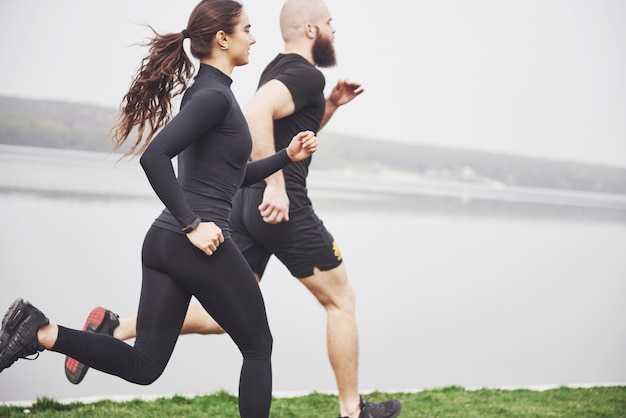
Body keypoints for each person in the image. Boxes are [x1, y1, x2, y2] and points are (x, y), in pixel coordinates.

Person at [64, 1, 401, 417]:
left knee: (213, 325)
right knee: (329, 305)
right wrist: (267, 190)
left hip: (227, 213)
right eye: (330, 22)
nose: (253, 37)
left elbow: (239, 157)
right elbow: (241, 120)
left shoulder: (260, 75)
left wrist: (309, 129)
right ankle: (353, 411)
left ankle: (106, 329)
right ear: (311, 30)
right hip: (264, 212)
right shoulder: (297, 75)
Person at [0, 1, 319, 417]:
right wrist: (193, 225)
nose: (254, 37)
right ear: (223, 39)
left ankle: (39, 330)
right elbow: (155, 157)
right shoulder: (214, 99)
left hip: (164, 244)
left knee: (145, 365)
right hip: (195, 242)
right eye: (248, 28)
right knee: (259, 347)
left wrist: (285, 157)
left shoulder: (209, 95)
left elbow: (231, 176)